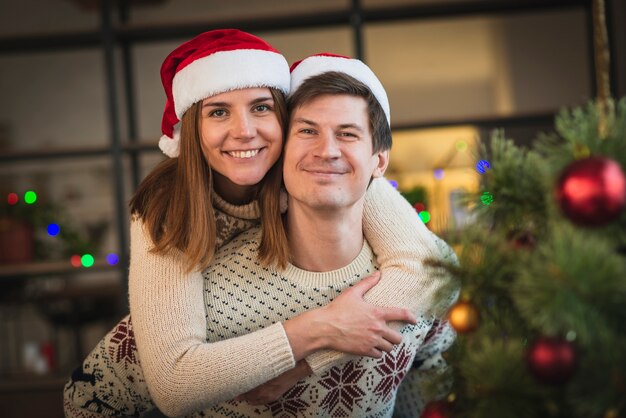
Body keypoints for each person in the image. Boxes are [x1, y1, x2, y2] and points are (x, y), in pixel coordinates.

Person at [64, 31, 450, 418]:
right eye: (218, 111)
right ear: (193, 128)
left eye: (261, 108)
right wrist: (319, 328)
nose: (244, 130)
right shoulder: (168, 208)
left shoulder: (319, 167)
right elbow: (174, 382)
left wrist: (309, 359)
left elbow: (429, 269)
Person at [178, 55, 457, 416]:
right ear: (281, 153)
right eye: (307, 131)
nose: (327, 151)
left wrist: (306, 362)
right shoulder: (207, 293)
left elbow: (436, 376)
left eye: (347, 134)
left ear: (380, 161)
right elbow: (101, 392)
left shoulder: (428, 277)